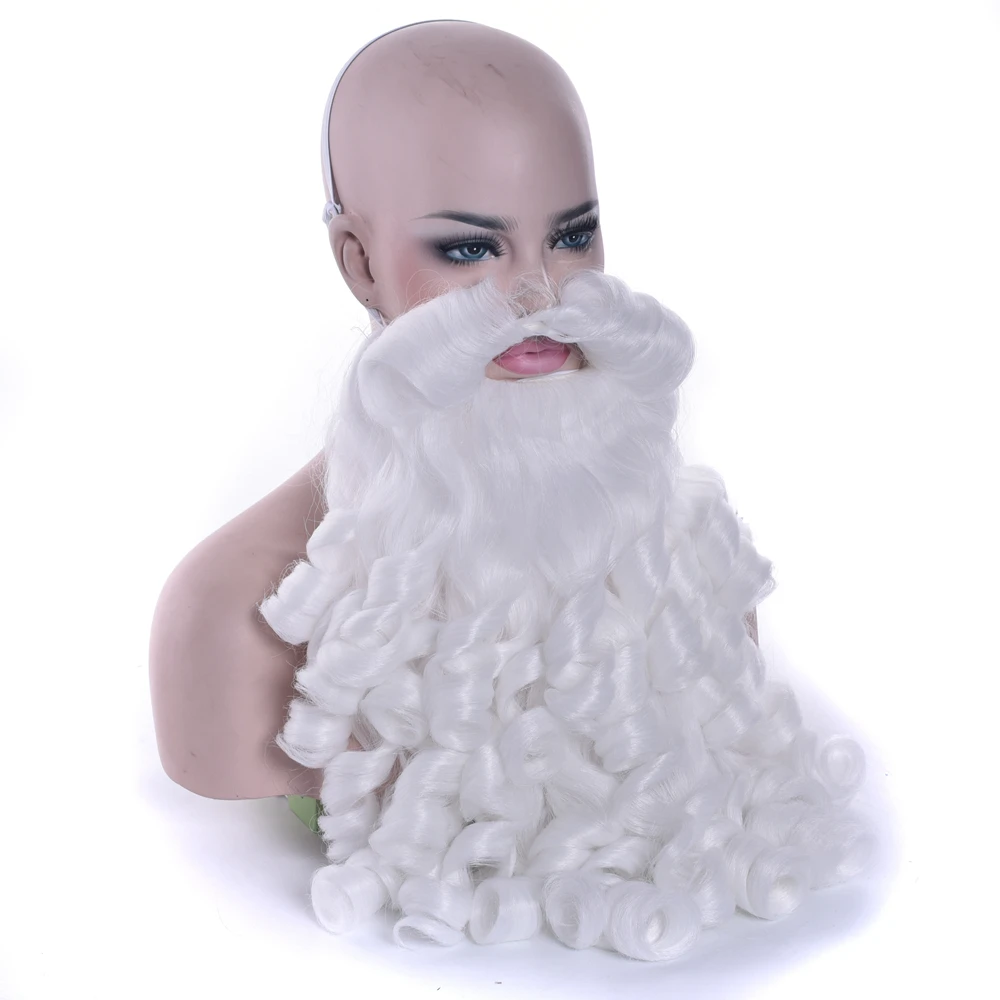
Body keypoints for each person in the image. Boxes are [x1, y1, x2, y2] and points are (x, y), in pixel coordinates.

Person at [149, 19, 761, 801]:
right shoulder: (226, 623)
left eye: (573, 237)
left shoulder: (685, 582)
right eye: (472, 250)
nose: (540, 297)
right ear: (361, 265)